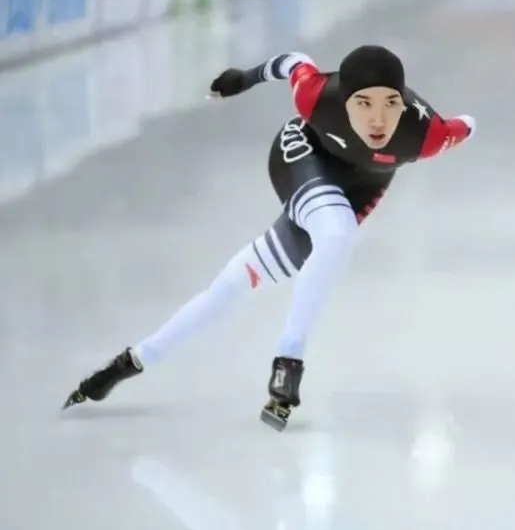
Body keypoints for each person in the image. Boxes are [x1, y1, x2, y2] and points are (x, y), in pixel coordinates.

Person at [62, 45, 476, 430]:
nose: (378, 120)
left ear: (403, 102)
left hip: (358, 189)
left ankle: (128, 363)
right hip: (303, 156)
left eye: (390, 104)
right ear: (343, 99)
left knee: (232, 285)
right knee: (337, 232)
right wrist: (244, 78)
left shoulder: (429, 134)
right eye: (363, 103)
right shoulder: (317, 96)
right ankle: (288, 362)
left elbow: (468, 125)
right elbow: (294, 62)